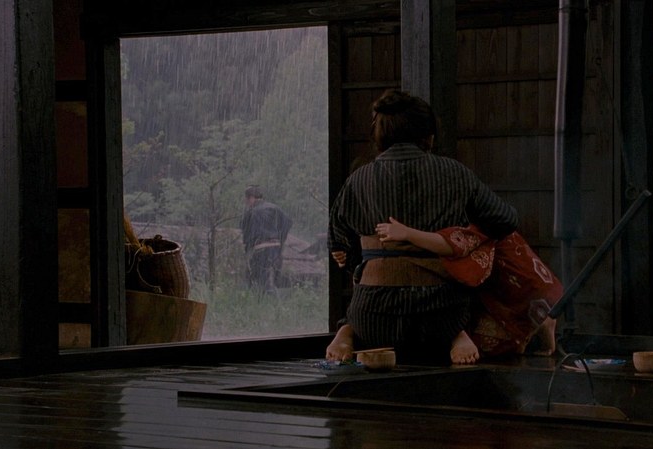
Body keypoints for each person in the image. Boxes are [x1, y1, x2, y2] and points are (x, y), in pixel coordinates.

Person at [326, 89, 518, 365]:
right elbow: (505, 220)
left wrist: (367, 262)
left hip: (373, 319)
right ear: (428, 136)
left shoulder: (359, 179)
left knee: (359, 307)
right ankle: (458, 334)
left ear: (380, 134)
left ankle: (348, 329)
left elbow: (338, 243)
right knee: (478, 287)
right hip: (441, 317)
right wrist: (459, 240)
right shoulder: (455, 173)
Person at [373, 217, 562, 357]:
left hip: (520, 287)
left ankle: (537, 321)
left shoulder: (476, 218)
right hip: (529, 288)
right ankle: (539, 319)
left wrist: (407, 233)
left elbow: (453, 245)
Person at [240, 186, 292, 291]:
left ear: (251, 198)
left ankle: (264, 298)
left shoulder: (251, 212)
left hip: (260, 250)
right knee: (274, 281)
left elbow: (246, 234)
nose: (246, 202)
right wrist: (281, 240)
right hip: (276, 250)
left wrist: (247, 250)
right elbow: (288, 223)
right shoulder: (276, 209)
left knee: (258, 282)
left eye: (246, 199)